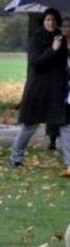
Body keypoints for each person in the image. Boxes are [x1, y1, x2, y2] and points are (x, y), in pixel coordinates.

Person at [8, 8, 65, 168]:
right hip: (38, 89)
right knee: (30, 125)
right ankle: (15, 157)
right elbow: (36, 62)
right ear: (43, 21)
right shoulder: (36, 39)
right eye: (48, 20)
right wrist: (52, 50)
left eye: (53, 20)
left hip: (55, 90)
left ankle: (68, 160)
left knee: (64, 124)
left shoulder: (61, 39)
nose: (51, 23)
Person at [59, 17, 70, 177]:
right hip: (64, 92)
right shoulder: (58, 44)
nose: (66, 29)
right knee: (65, 126)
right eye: (65, 26)